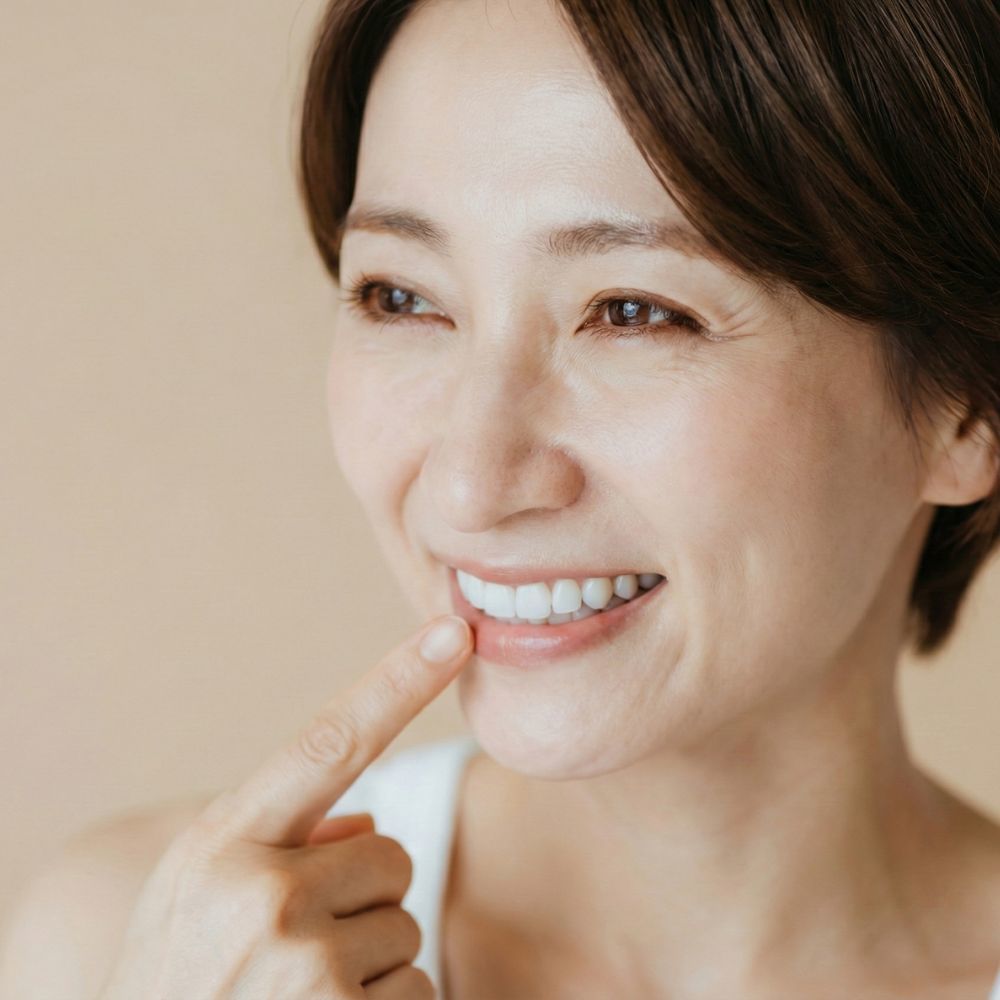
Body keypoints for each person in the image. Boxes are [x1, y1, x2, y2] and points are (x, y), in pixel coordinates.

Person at [2, 0, 999, 996]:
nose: (469, 485)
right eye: (400, 297)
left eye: (635, 313)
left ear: (967, 410)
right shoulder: (126, 947)